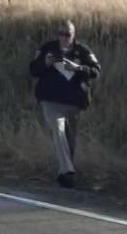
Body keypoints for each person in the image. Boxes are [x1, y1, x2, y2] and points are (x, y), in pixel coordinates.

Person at [28, 19, 101, 188]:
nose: (64, 37)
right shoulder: (47, 49)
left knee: (70, 140)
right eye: (61, 34)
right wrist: (45, 64)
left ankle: (64, 175)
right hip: (51, 101)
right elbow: (33, 69)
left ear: (73, 35)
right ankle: (68, 171)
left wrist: (78, 68)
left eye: (67, 34)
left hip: (74, 103)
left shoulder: (82, 51)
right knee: (58, 131)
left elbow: (96, 71)